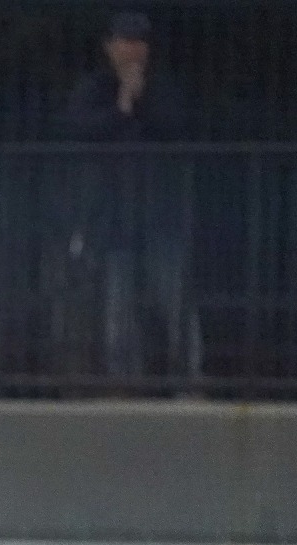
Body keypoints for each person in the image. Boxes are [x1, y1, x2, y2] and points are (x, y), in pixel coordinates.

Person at [56, 11, 197, 379]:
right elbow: (79, 128)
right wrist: (122, 106)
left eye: (140, 43)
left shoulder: (162, 87)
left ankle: (189, 378)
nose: (134, 50)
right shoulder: (94, 89)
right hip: (114, 214)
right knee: (118, 306)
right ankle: (125, 381)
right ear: (110, 47)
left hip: (159, 212)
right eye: (126, 42)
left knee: (175, 301)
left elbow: (176, 126)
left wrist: (141, 98)